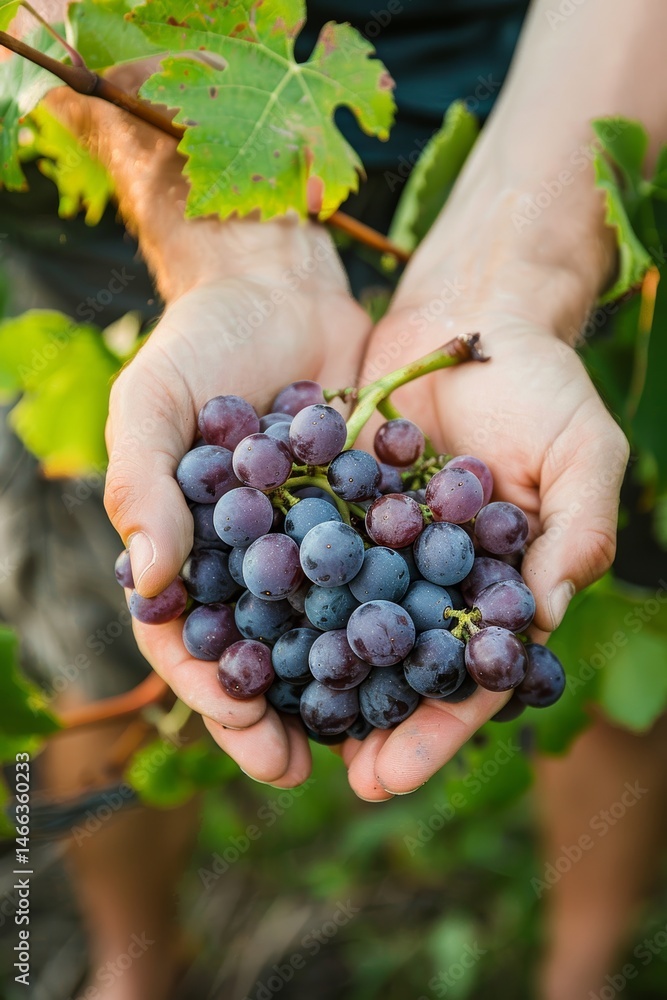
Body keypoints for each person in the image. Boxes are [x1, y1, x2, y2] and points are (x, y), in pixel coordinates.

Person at [4, 1, 666, 998]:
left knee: (608, 597)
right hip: (125, 155)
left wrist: (526, 262)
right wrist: (222, 242)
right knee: (100, 649)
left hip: (519, 116)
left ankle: (580, 972)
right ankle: (133, 964)